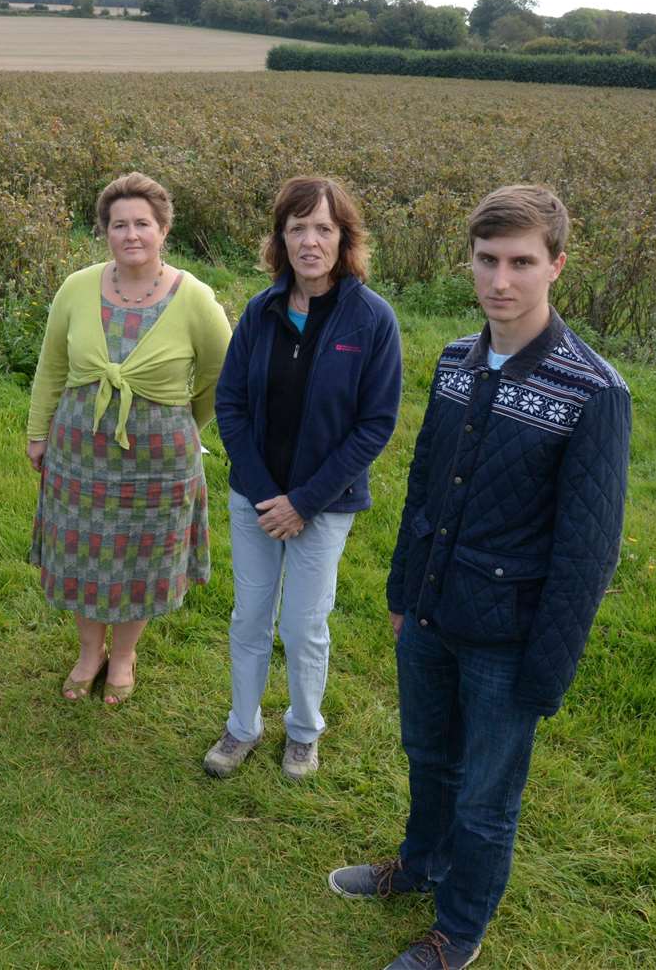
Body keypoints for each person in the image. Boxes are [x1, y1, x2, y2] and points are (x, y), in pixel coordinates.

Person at [329, 185, 631, 970]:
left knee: (487, 800)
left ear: (557, 266)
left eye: (522, 262)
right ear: (470, 262)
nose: (502, 279)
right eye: (488, 260)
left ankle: (456, 932)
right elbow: (426, 485)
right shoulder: (457, 362)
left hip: (507, 637)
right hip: (430, 615)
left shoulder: (593, 391)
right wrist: (402, 594)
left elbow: (588, 550)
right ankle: (420, 864)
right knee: (428, 757)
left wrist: (547, 669)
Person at [204, 176, 402, 781]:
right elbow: (230, 404)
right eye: (296, 228)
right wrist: (267, 493)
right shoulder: (262, 312)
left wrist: (304, 502)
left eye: (323, 228)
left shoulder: (372, 320)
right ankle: (242, 727)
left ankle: (303, 730)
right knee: (250, 617)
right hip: (256, 499)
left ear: (344, 239)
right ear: (280, 239)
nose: (309, 241)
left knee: (303, 624)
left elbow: (375, 425)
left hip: (325, 504)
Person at [26, 172, 232, 705]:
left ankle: (122, 657)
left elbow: (220, 376)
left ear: (163, 229)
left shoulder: (196, 299)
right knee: (82, 550)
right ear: (105, 231)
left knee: (143, 555)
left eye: (143, 223)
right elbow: (51, 367)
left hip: (159, 457)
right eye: (119, 224)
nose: (131, 234)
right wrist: (37, 432)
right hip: (79, 448)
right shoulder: (77, 287)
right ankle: (89, 652)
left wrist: (183, 423)